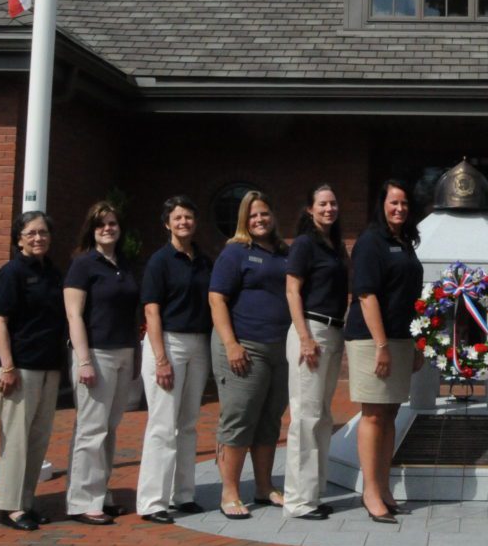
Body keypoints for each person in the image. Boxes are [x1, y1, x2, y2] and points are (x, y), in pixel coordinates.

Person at [344, 180, 424, 524]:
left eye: (404, 203)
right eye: (393, 202)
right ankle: (370, 491)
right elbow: (366, 295)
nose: (399, 208)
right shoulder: (370, 242)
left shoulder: (404, 243)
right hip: (372, 340)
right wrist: (381, 346)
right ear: (382, 205)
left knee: (390, 414)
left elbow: (411, 298)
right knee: (374, 414)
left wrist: (416, 344)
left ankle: (384, 487)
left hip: (401, 340)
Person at [208, 191, 291, 518]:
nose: (259, 220)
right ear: (244, 219)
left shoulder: (284, 253)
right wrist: (231, 344)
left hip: (279, 348)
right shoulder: (235, 252)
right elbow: (217, 299)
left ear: (273, 216)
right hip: (244, 346)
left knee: (270, 419)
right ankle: (229, 492)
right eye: (253, 215)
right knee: (239, 418)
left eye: (264, 213)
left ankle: (263, 486)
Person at [138, 195, 214, 523]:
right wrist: (161, 359)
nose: (183, 222)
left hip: (199, 344)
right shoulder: (160, 261)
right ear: (167, 223)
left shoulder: (204, 261)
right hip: (168, 342)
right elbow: (151, 311)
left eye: (188, 217)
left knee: (188, 424)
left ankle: (182, 494)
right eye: (177, 217)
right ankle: (152, 502)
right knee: (162, 424)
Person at [63, 202, 140, 525]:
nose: (107, 229)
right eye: (100, 224)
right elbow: (74, 315)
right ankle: (81, 501)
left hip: (123, 353)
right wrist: (84, 360)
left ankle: (100, 494)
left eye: (112, 223)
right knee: (91, 429)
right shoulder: (83, 264)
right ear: (91, 230)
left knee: (109, 428)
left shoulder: (124, 264)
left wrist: (135, 355)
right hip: (95, 353)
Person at [0, 211, 67, 531]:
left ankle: (26, 501)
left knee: (38, 438)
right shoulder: (11, 273)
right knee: (16, 439)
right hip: (20, 367)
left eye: (43, 232)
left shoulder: (52, 271)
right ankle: (10, 506)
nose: (38, 238)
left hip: (49, 365)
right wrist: (7, 366)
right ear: (19, 238)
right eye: (31, 233)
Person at [284, 184, 350, 521]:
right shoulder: (304, 244)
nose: (329, 209)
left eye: (333, 203)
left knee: (322, 416)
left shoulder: (335, 246)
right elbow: (292, 290)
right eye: (322, 204)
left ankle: (314, 493)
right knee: (305, 417)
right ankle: (298, 501)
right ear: (310, 209)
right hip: (311, 329)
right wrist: (305, 337)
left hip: (334, 331)